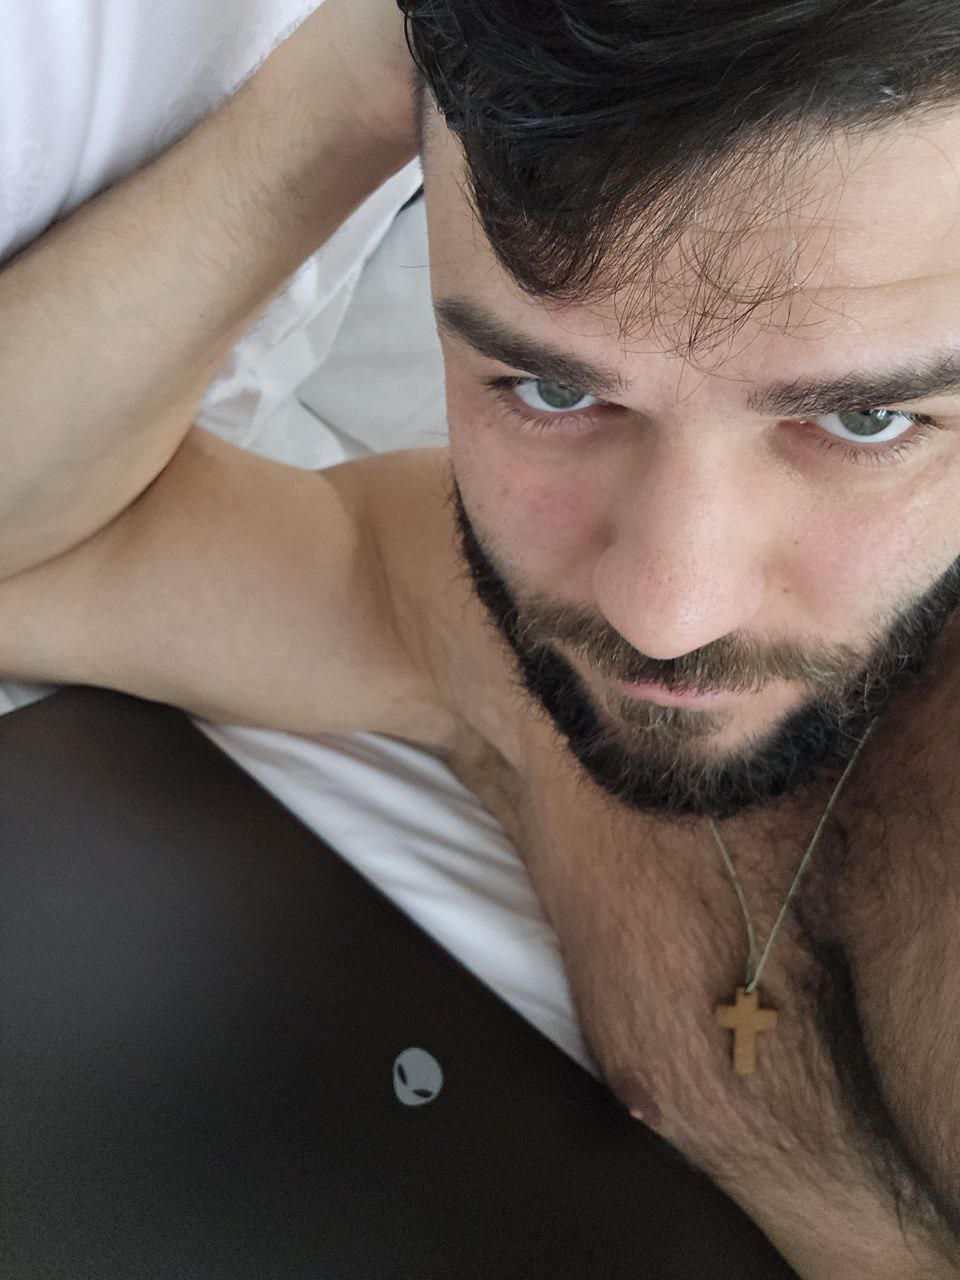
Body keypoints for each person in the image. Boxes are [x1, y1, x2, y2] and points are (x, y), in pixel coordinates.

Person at [2, 0, 960, 1275]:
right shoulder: (509, 637)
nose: (662, 614)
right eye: (553, 390)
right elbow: (32, 548)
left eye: (864, 422)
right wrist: (348, 95)